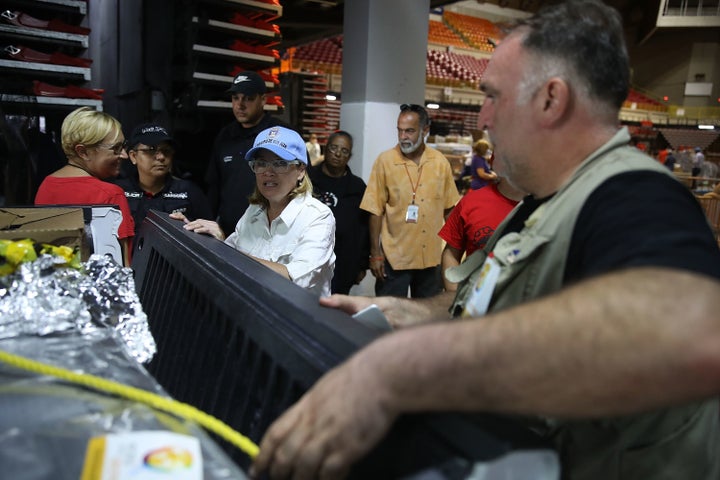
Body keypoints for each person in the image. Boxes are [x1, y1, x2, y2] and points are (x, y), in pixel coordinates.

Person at [251, 2, 720, 479]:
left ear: (550, 100)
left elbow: (690, 330)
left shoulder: (633, 195)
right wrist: (410, 317)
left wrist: (404, 367)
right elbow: (490, 310)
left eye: (494, 97)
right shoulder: (540, 204)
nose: (484, 120)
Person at [174, 126, 335, 297]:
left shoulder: (317, 217)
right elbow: (227, 257)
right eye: (261, 163)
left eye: (280, 163)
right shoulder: (254, 212)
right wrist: (193, 233)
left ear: (301, 171)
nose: (268, 172)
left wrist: (225, 251)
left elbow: (293, 278)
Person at [362, 103, 460, 298]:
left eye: (409, 131)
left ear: (425, 130)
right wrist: (375, 254)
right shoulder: (385, 161)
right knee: (389, 319)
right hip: (394, 258)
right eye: (399, 131)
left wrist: (454, 253)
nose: (403, 137)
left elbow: (450, 210)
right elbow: (374, 210)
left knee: (424, 320)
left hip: (431, 259)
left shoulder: (440, 163)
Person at [34, 106, 134, 265]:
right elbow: (123, 265)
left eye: (123, 146)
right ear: (83, 152)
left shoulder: (47, 185)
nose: (124, 155)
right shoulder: (110, 194)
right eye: (116, 148)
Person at [205, 70, 292, 236]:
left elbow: (298, 185)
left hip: (270, 234)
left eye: (248, 98)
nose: (240, 105)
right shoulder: (225, 136)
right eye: (235, 98)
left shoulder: (280, 134)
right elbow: (214, 187)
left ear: (263, 100)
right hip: (227, 233)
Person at [113, 123, 212, 234]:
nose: (161, 157)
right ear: (133, 156)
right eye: (151, 150)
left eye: (166, 151)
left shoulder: (189, 191)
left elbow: (209, 235)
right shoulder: (118, 191)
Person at [308, 130, 369, 294]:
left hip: (344, 263)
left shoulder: (358, 188)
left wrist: (363, 264)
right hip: (308, 257)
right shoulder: (307, 179)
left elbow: (364, 229)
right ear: (326, 148)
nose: (337, 154)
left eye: (344, 151)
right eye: (334, 148)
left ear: (349, 156)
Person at [439, 176, 524, 291]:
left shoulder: (551, 207)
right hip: (476, 298)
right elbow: (451, 253)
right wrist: (453, 295)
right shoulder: (471, 202)